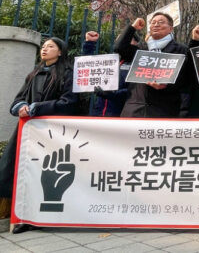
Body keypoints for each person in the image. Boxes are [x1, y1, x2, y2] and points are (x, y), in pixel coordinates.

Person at [0, 38, 78, 224]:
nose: (45, 49)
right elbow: (17, 100)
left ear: (60, 52)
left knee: (45, 172)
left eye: (50, 46)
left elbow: (69, 103)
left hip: (52, 132)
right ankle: (14, 212)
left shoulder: (68, 73)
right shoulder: (34, 73)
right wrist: (21, 107)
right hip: (27, 129)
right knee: (13, 168)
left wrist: (37, 107)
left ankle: (39, 213)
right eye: (43, 47)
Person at [115, 12, 190, 117]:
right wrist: (133, 27)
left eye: (161, 22)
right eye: (153, 22)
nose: (156, 24)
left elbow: (186, 80)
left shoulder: (181, 50)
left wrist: (167, 86)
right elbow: (119, 48)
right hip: (134, 111)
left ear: (171, 29)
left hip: (164, 111)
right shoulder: (141, 48)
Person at [82, 30, 138, 116]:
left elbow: (136, 91)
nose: (121, 42)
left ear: (136, 43)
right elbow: (88, 66)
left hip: (121, 115)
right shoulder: (110, 61)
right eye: (119, 39)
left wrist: (112, 94)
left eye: (125, 39)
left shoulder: (138, 63)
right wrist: (90, 43)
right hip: (98, 113)